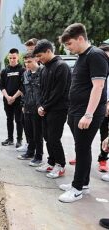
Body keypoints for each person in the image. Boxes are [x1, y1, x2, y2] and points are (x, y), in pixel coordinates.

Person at [58, 23, 108, 203]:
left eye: (69, 44)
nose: (68, 48)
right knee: (82, 148)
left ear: (80, 38)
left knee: (82, 148)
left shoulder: (95, 55)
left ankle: (77, 188)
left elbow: (99, 86)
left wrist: (88, 115)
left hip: (87, 113)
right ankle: (83, 184)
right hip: (75, 110)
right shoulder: (82, 56)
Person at [33, 39, 71, 179]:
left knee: (54, 138)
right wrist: (39, 105)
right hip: (45, 109)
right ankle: (51, 162)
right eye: (37, 56)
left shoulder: (62, 67)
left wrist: (45, 106)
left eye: (40, 56)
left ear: (49, 51)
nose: (38, 59)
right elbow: (40, 89)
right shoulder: (44, 68)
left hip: (58, 109)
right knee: (47, 137)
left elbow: (59, 91)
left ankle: (60, 165)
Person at [68, 44, 109, 172]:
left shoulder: (99, 62)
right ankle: (81, 160)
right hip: (94, 105)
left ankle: (103, 159)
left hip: (100, 107)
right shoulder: (95, 65)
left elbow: (100, 87)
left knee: (104, 135)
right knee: (83, 144)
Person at [17, 52, 43, 167]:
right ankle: (30, 152)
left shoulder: (43, 72)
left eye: (29, 61)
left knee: (38, 134)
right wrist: (23, 105)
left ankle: (39, 156)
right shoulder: (26, 74)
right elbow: (24, 91)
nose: (27, 64)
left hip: (38, 108)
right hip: (27, 107)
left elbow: (44, 91)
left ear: (36, 60)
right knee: (28, 132)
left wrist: (42, 106)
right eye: (25, 62)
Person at [0, 48, 25, 148]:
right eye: (10, 58)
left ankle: (19, 139)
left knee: (18, 120)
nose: (12, 60)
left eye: (14, 58)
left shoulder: (22, 70)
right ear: (8, 58)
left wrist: (13, 97)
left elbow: (23, 86)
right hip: (7, 100)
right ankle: (10, 139)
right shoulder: (5, 71)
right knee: (9, 119)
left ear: (18, 57)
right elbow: (1, 85)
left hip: (18, 100)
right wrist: (7, 97)